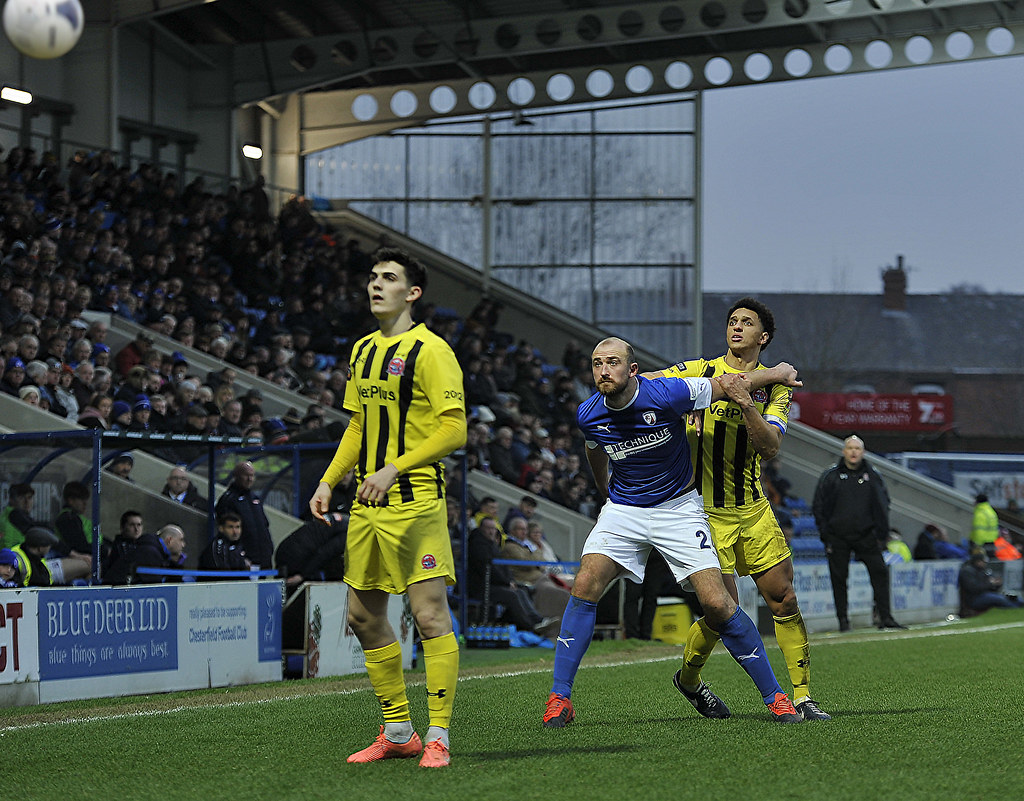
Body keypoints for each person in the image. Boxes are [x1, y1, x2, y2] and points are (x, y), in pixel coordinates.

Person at [543, 337, 805, 729]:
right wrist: (606, 493)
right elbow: (594, 448)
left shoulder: (667, 393)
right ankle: (559, 699)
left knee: (717, 604)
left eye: (612, 362)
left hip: (678, 508)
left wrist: (777, 373)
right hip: (625, 510)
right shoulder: (588, 413)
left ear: (632, 370)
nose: (603, 371)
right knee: (584, 584)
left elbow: (729, 384)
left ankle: (776, 698)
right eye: (597, 364)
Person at [308, 247, 467, 768]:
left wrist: (394, 467)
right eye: (373, 277)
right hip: (365, 506)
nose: (376, 285)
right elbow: (357, 425)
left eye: (389, 278)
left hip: (415, 501)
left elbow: (455, 428)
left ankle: (438, 735)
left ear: (412, 293)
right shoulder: (362, 351)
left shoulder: (432, 351)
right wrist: (330, 480)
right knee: (360, 615)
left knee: (428, 615)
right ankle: (399, 729)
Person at [650, 298, 830, 721]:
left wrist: (746, 401)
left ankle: (803, 696)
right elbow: (652, 384)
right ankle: (690, 680)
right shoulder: (700, 370)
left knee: (782, 598)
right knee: (721, 611)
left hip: (751, 508)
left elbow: (770, 446)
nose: (736, 327)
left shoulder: (777, 387)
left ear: (762, 337)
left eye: (746, 323)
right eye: (732, 321)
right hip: (703, 513)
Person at [812, 435, 904, 631]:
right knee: (839, 579)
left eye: (857, 448)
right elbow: (818, 505)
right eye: (850, 448)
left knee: (880, 572)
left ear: (863, 452)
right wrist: (825, 534)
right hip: (838, 537)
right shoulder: (831, 476)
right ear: (844, 451)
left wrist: (881, 534)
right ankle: (843, 622)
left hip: (867, 536)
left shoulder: (874, 476)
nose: (853, 452)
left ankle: (885, 618)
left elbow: (883, 505)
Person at [215, 461, 274, 569]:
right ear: (236, 476)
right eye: (246, 475)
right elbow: (226, 532)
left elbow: (264, 525)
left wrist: (269, 549)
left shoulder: (255, 498)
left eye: (252, 475)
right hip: (245, 561)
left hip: (263, 559)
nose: (249, 479)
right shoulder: (229, 500)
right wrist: (238, 556)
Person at [274, 512, 348, 591]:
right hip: (296, 557)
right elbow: (324, 553)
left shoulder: (344, 520)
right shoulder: (349, 533)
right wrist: (303, 575)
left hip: (285, 549)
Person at [958, 549, 1024, 615]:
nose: (985, 564)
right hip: (975, 598)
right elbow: (974, 588)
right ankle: (1015, 610)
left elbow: (992, 586)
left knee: (1013, 597)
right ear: (977, 561)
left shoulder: (983, 570)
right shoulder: (967, 571)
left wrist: (997, 584)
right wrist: (990, 583)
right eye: (983, 562)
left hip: (987, 594)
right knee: (999, 599)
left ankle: (1020, 607)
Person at [103, 510, 145, 582]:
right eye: (132, 525)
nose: (136, 529)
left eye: (139, 525)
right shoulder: (118, 547)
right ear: (122, 527)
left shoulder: (145, 545)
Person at [0, 482, 38, 548]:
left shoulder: (7, 514)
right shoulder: (14, 514)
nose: (27, 502)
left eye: (29, 497)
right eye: (21, 498)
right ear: (11, 500)